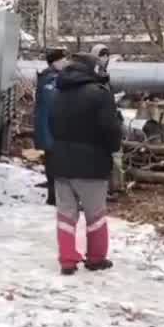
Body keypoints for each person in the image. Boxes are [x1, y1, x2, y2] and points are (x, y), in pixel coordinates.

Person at [47, 53, 123, 275]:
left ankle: (67, 260)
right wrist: (112, 148)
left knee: (65, 215)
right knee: (95, 215)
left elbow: (51, 125)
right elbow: (111, 130)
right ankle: (96, 258)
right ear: (91, 70)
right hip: (92, 164)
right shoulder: (100, 95)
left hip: (61, 162)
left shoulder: (58, 92)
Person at [33, 48, 68, 205]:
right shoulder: (50, 79)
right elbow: (54, 103)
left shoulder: (50, 77)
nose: (65, 63)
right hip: (51, 128)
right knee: (54, 163)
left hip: (49, 128)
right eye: (63, 60)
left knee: (53, 161)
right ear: (55, 62)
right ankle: (53, 197)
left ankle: (54, 195)